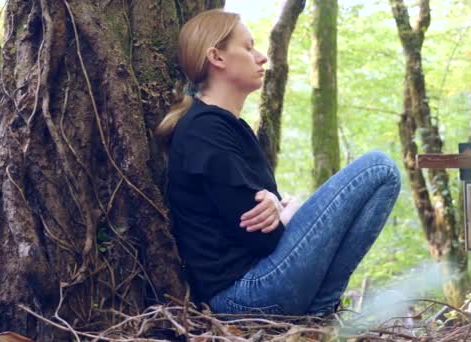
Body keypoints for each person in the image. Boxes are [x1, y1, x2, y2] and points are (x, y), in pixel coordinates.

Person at [156, 9, 401, 316]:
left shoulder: (230, 128)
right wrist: (290, 211)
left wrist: (277, 207)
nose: (261, 57)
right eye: (247, 47)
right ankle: (320, 308)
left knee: (380, 172)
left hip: (256, 285)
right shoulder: (205, 131)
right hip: (243, 294)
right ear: (216, 57)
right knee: (379, 169)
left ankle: (319, 313)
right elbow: (263, 237)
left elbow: (258, 219)